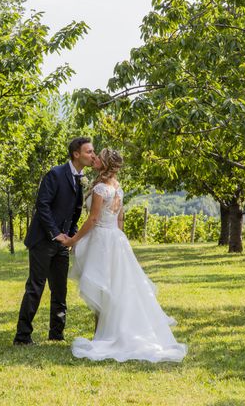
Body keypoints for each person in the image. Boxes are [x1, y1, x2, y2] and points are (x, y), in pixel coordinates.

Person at [62, 148, 187, 362]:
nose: (96, 159)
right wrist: (118, 242)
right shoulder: (117, 188)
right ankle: (103, 333)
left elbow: (92, 220)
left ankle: (106, 336)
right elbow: (119, 221)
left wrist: (73, 240)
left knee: (104, 286)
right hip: (116, 240)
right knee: (114, 287)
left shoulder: (102, 188)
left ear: (106, 164)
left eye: (99, 157)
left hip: (102, 240)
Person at [13, 137, 96, 346]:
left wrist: (71, 236)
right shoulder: (55, 174)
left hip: (62, 243)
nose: (92, 155)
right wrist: (55, 233)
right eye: (89, 152)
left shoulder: (80, 178)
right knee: (36, 287)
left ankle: (57, 334)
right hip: (43, 240)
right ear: (76, 154)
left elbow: (74, 212)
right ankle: (22, 336)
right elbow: (42, 205)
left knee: (60, 289)